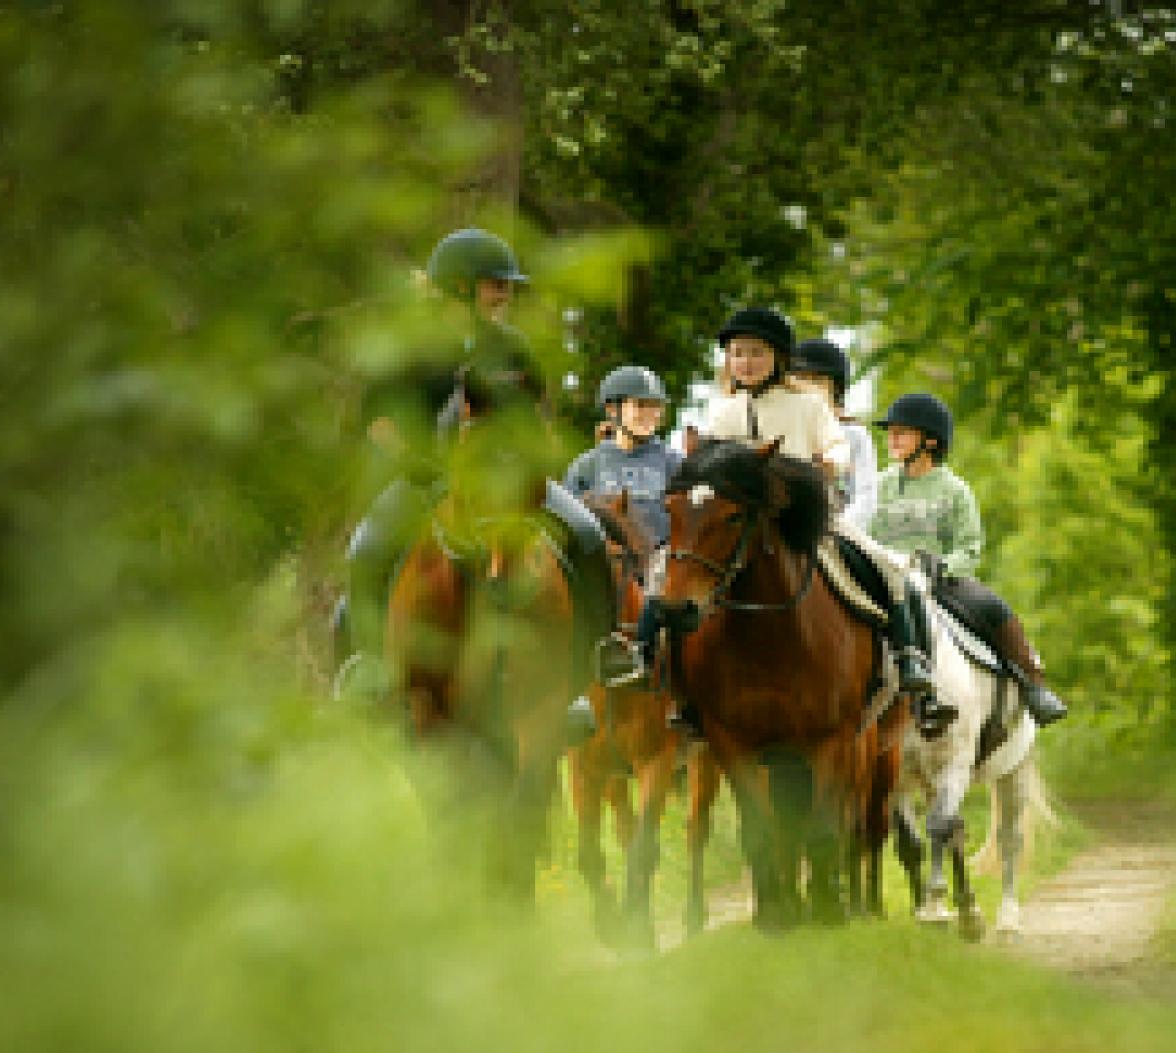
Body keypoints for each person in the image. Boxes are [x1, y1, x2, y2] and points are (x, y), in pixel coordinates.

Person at [333, 227, 614, 737]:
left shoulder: (513, 347)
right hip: (426, 479)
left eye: (506, 284)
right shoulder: (410, 345)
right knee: (366, 548)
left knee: (589, 534)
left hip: (508, 480)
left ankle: (592, 668)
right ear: (459, 286)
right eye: (495, 283)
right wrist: (414, 461)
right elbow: (378, 421)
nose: (505, 292)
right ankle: (367, 670)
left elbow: (538, 417)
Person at [629, 306, 954, 737]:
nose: (746, 362)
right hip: (741, 522)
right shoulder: (723, 411)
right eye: (737, 353)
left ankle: (912, 662)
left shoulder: (808, 405)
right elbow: (709, 462)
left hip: (807, 517)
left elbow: (838, 446)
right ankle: (651, 660)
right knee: (664, 570)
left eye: (756, 353)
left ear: (778, 358)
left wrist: (829, 462)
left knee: (892, 569)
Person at [869, 391, 1068, 726]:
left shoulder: (956, 490)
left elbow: (970, 547)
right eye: (890, 432)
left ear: (931, 441)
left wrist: (942, 567)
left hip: (941, 580)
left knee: (994, 607)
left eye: (902, 432)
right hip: (886, 577)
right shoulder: (878, 486)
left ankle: (1034, 687)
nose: (892, 438)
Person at [563, 364, 682, 548]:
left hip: (661, 560)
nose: (650, 414)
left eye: (656, 406)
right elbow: (567, 528)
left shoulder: (675, 463)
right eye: (640, 405)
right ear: (612, 409)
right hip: (608, 561)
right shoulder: (586, 466)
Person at [789, 337, 877, 530]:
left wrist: (836, 529)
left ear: (835, 387)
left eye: (817, 380)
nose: (807, 387)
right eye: (800, 379)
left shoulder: (853, 434)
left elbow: (865, 496)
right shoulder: (783, 427)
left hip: (839, 527)